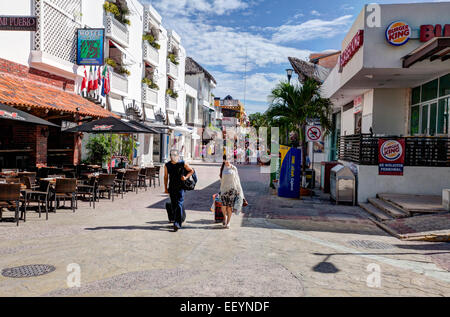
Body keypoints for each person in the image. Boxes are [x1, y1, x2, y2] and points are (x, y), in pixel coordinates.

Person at [164, 150, 194, 232]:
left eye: (175, 155)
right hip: (172, 187)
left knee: (179, 203)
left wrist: (186, 177)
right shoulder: (167, 165)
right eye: (172, 155)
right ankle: (179, 218)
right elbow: (166, 177)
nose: (173, 156)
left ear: (178, 156)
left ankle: (177, 224)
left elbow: (191, 171)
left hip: (181, 187)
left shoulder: (182, 163)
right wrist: (165, 188)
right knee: (174, 205)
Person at [219, 156, 245, 229]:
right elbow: (221, 180)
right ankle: (225, 217)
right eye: (225, 159)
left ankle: (228, 222)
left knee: (229, 207)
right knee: (223, 207)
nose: (227, 161)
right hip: (224, 190)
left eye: (228, 159)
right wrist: (220, 190)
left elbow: (237, 180)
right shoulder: (222, 168)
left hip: (232, 190)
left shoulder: (233, 168)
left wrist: (239, 190)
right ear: (223, 160)